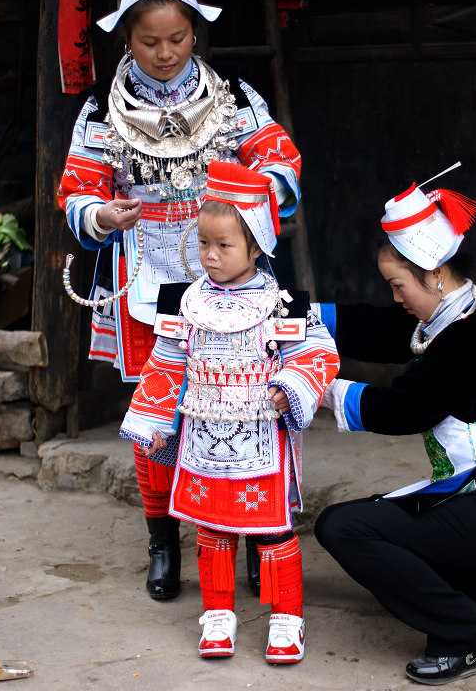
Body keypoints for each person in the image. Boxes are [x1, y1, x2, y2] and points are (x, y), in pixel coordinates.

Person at [57, 0, 302, 602]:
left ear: (194, 31)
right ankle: (163, 541)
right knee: (158, 415)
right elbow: (75, 190)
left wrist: (251, 199)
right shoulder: (99, 114)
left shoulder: (234, 98)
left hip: (235, 273)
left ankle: (253, 531)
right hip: (149, 277)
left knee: (248, 400)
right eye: (150, 42)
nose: (166, 54)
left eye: (178, 38)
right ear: (127, 42)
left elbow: (282, 161)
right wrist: (101, 217)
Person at [119, 160, 339, 663]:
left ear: (257, 245)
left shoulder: (283, 306)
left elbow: (318, 354)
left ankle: (287, 617)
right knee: (213, 529)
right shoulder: (187, 304)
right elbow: (166, 363)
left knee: (272, 530)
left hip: (263, 444)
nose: (211, 256)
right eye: (203, 243)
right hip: (202, 444)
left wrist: (292, 384)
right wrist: (153, 422)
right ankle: (217, 614)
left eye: (224, 245)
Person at [314, 173, 476, 685]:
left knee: (343, 527)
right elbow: (381, 329)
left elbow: (402, 409)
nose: (397, 298)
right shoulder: (459, 315)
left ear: (435, 273)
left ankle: (466, 633)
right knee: (419, 506)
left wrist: (317, 387)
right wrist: (297, 312)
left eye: (398, 285)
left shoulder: (465, 339)